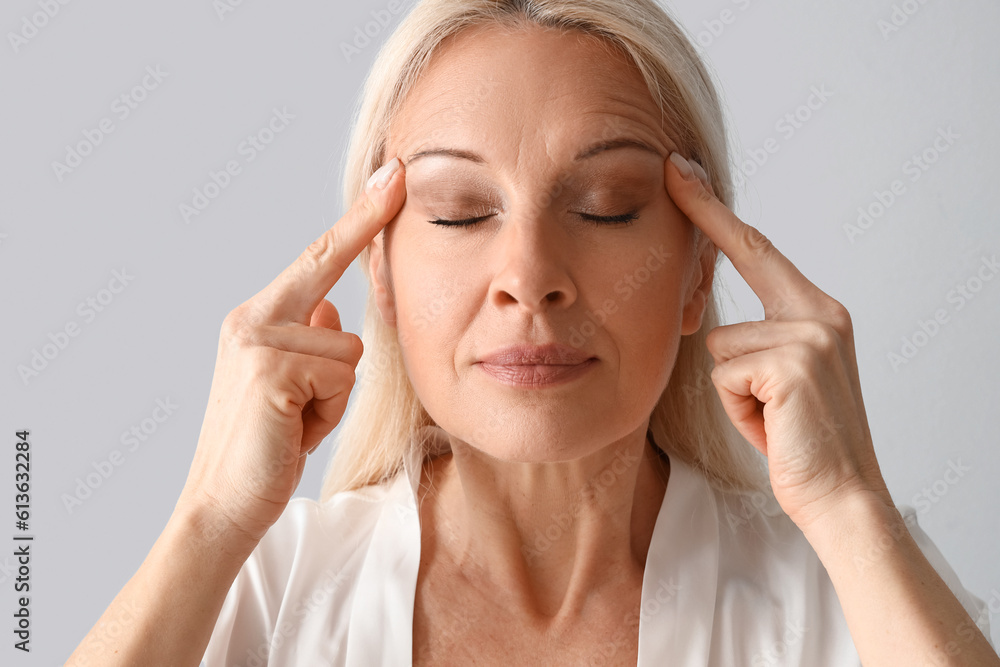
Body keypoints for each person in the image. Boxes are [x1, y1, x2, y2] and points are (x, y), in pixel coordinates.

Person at [67, 1, 998, 665]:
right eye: (462, 211)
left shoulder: (847, 594)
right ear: (380, 275)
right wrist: (209, 519)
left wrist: (848, 503)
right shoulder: (262, 601)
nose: (529, 279)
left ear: (698, 273)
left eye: (603, 207)